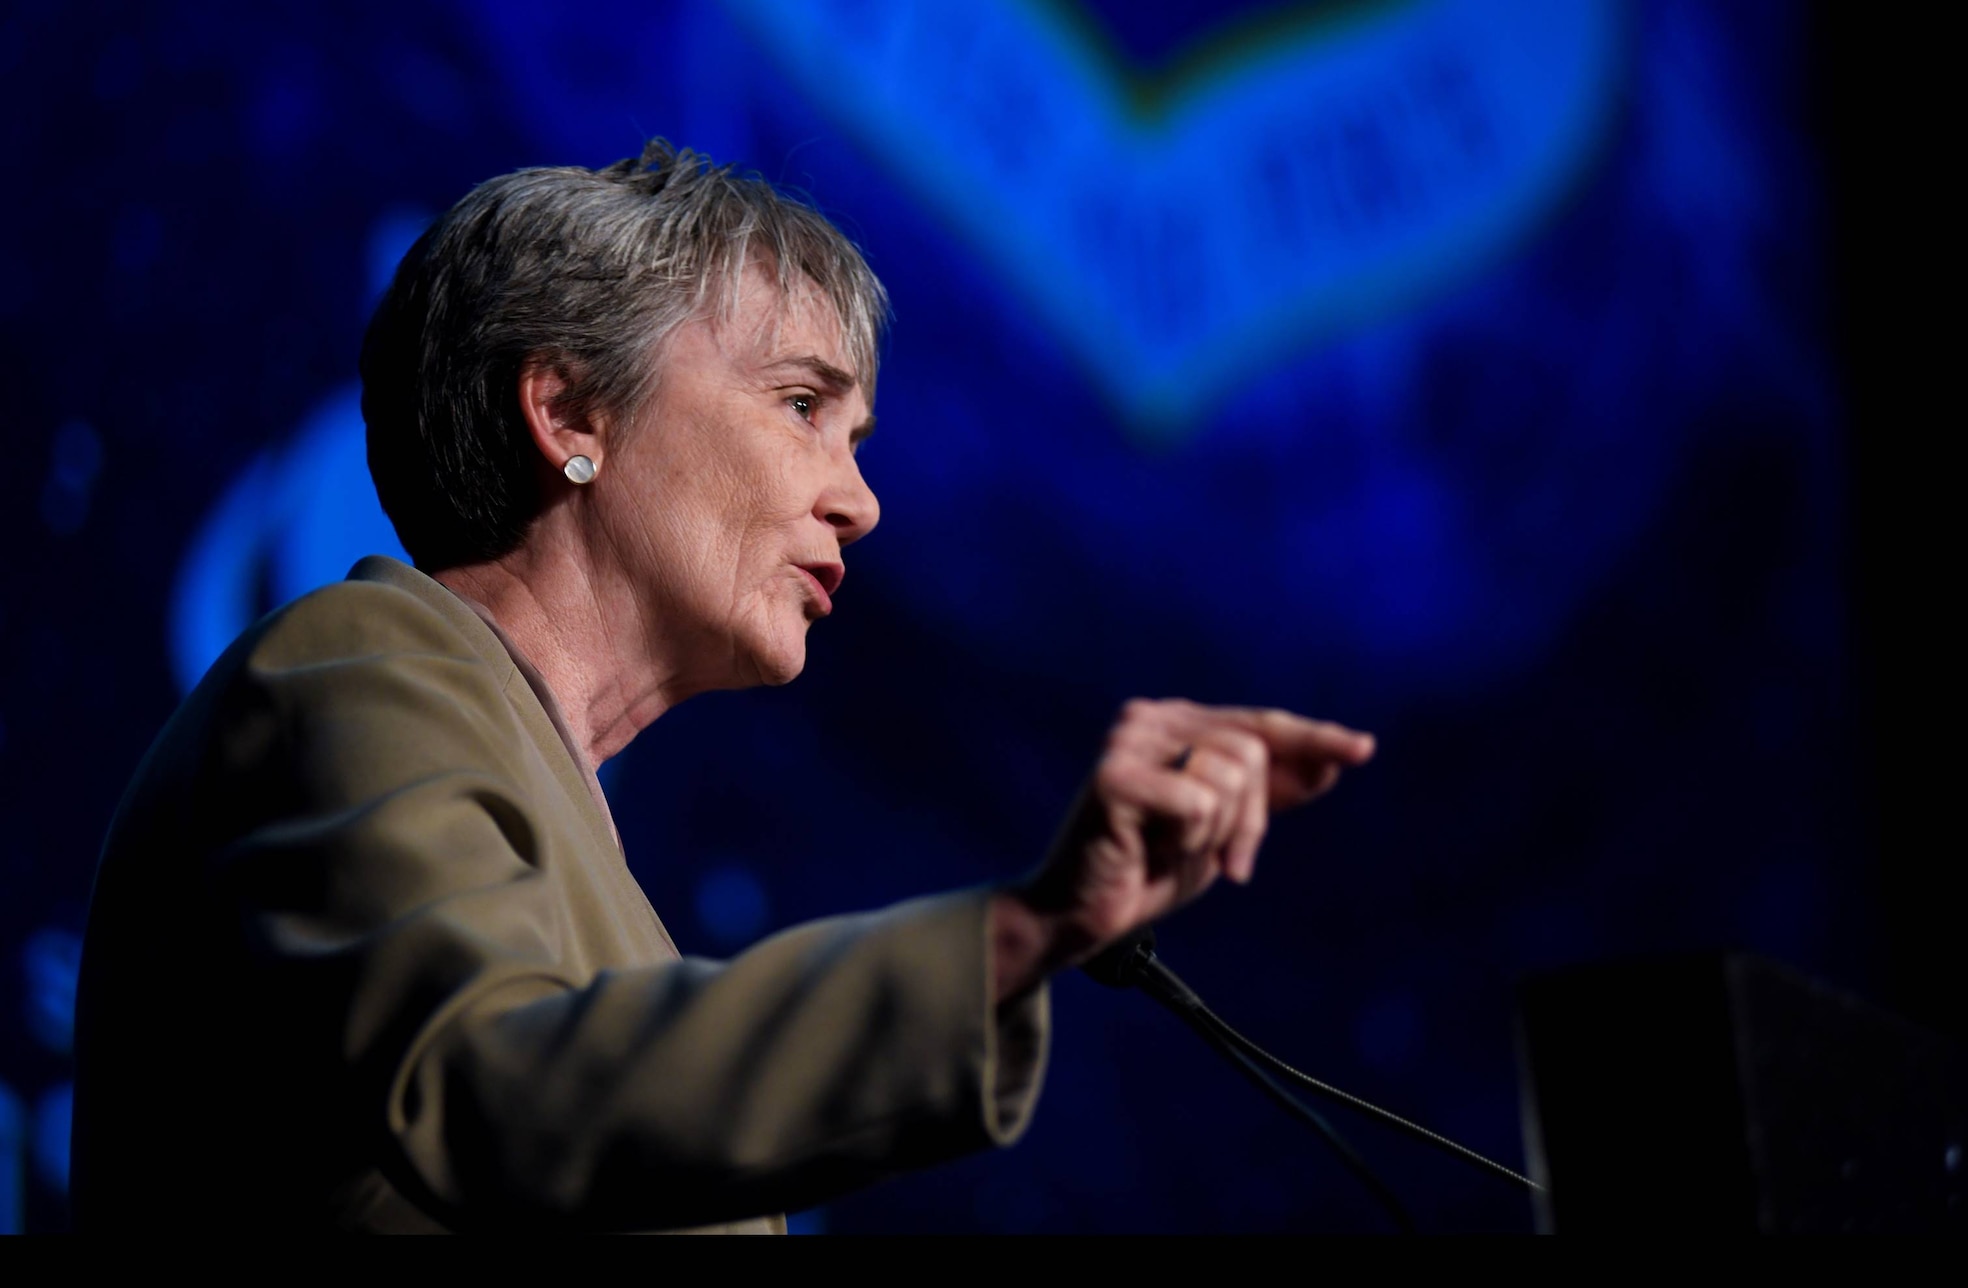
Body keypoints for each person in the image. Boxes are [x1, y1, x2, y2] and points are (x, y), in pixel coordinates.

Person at [71, 141, 1375, 1232]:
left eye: (858, 440)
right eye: (803, 405)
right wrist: (1018, 937)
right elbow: (494, 1097)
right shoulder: (357, 670)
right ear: (571, 411)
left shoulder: (591, 884)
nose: (860, 501)